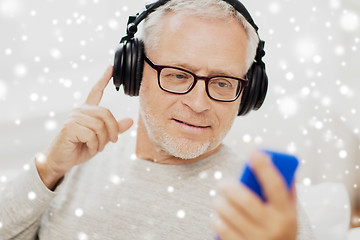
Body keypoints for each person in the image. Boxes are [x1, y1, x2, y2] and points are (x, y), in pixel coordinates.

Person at [0, 0, 315, 239]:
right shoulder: (74, 160)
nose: (198, 103)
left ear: (248, 92)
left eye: (222, 82)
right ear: (134, 72)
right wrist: (48, 169)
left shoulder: (266, 210)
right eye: (178, 75)